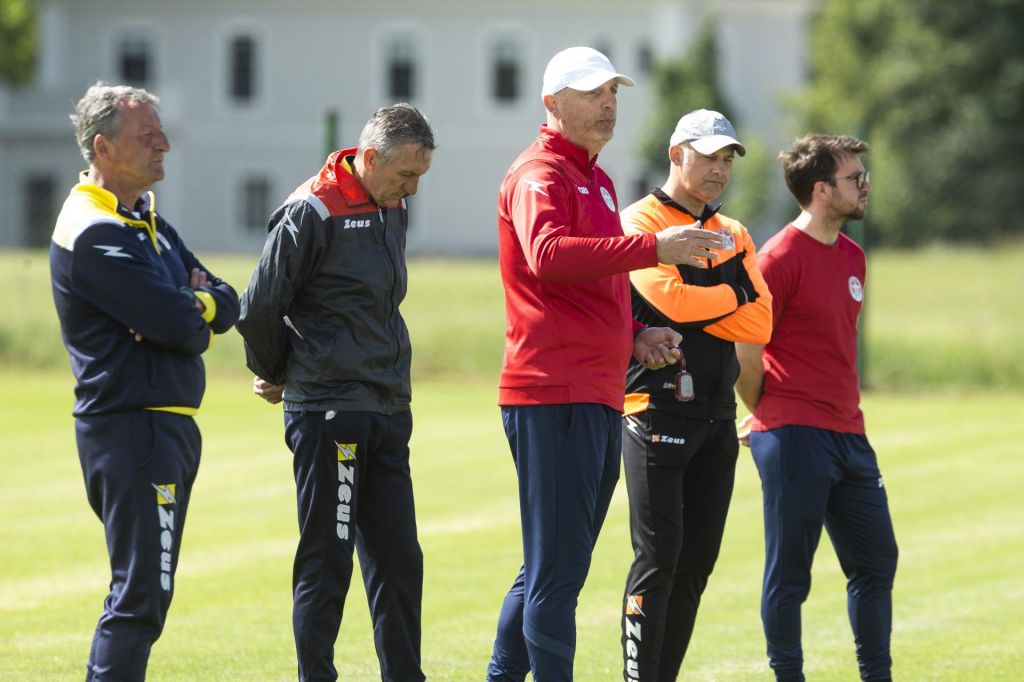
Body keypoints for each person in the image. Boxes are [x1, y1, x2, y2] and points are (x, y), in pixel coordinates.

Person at [486, 47, 729, 682]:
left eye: (613, 92)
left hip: (595, 390)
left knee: (552, 564)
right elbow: (548, 256)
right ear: (552, 103)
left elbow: (598, 281)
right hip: (552, 391)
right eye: (593, 92)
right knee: (556, 572)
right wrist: (654, 244)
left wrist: (636, 334)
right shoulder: (539, 173)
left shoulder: (596, 177)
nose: (608, 103)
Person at [236, 103, 434, 682]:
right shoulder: (311, 210)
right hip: (328, 409)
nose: (413, 190)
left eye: (420, 177)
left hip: (388, 407)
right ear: (369, 158)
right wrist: (276, 372)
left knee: (400, 561)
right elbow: (259, 307)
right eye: (405, 176)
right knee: (328, 559)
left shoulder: (391, 206)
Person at [49, 83, 240, 681]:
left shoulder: (144, 220)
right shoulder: (93, 231)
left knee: (145, 593)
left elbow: (225, 302)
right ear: (102, 147)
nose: (164, 144)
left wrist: (196, 306)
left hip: (164, 426)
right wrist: (193, 306)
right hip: (131, 429)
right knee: (140, 597)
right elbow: (178, 323)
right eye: (147, 134)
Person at [735, 134, 899, 682]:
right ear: (822, 190)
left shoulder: (853, 256)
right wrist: (768, 416)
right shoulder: (776, 258)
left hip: (849, 433)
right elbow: (746, 354)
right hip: (794, 434)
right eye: (855, 179)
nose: (865, 185)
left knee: (877, 562)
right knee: (790, 577)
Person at [618, 109, 772, 681]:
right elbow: (674, 306)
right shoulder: (640, 222)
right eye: (708, 156)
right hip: (653, 411)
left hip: (715, 417)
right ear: (676, 154)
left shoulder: (733, 232)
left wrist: (714, 305)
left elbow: (762, 324)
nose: (719, 169)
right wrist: (733, 294)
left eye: (728, 158)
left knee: (695, 567)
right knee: (657, 562)